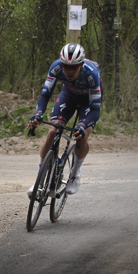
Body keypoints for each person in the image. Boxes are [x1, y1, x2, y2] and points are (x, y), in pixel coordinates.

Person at [27, 42, 102, 198]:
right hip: (68, 96)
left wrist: (83, 124)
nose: (68, 70)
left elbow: (95, 110)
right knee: (53, 130)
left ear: (80, 65)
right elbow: (45, 95)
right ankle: (39, 182)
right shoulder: (56, 67)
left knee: (83, 136)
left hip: (88, 101)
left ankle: (75, 173)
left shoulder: (91, 74)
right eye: (66, 66)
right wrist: (38, 114)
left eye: (73, 67)